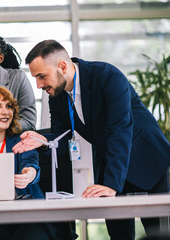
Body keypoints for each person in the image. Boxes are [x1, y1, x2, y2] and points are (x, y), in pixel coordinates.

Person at [12, 40, 170, 239]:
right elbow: (62, 137)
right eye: (36, 78)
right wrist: (43, 139)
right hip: (111, 161)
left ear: (62, 66)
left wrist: (111, 185)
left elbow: (120, 130)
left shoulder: (107, 76)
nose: (39, 85)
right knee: (118, 232)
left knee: (158, 232)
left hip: (146, 158)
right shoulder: (57, 95)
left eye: (42, 76)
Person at [0, 86, 65, 240]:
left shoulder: (22, 141)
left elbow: (30, 163)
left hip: (31, 217)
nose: (6, 112)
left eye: (9, 106)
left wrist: (28, 174)